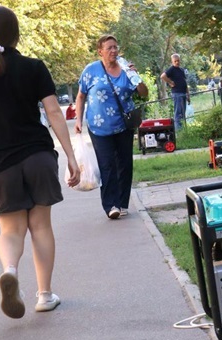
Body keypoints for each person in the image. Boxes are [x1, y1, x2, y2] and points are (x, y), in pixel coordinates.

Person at [0, 6, 81, 319]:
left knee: (10, 230)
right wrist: (71, 156)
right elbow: (54, 112)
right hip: (37, 156)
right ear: (16, 33)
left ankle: (10, 270)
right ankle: (45, 295)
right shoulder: (34, 67)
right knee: (41, 226)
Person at [74, 35, 148, 219]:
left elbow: (143, 94)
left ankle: (122, 203)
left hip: (124, 125)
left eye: (115, 47)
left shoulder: (125, 70)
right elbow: (81, 96)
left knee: (124, 164)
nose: (114, 51)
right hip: (99, 128)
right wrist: (78, 120)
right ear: (100, 51)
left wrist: (135, 76)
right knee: (107, 165)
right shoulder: (91, 70)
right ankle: (110, 206)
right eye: (109, 48)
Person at [160, 53, 190, 130]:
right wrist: (170, 82)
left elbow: (185, 82)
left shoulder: (181, 70)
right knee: (178, 113)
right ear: (172, 61)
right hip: (177, 93)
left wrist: (188, 95)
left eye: (178, 61)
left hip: (183, 93)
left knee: (183, 113)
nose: (177, 62)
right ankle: (178, 132)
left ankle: (183, 130)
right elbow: (163, 76)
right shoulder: (171, 69)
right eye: (175, 61)